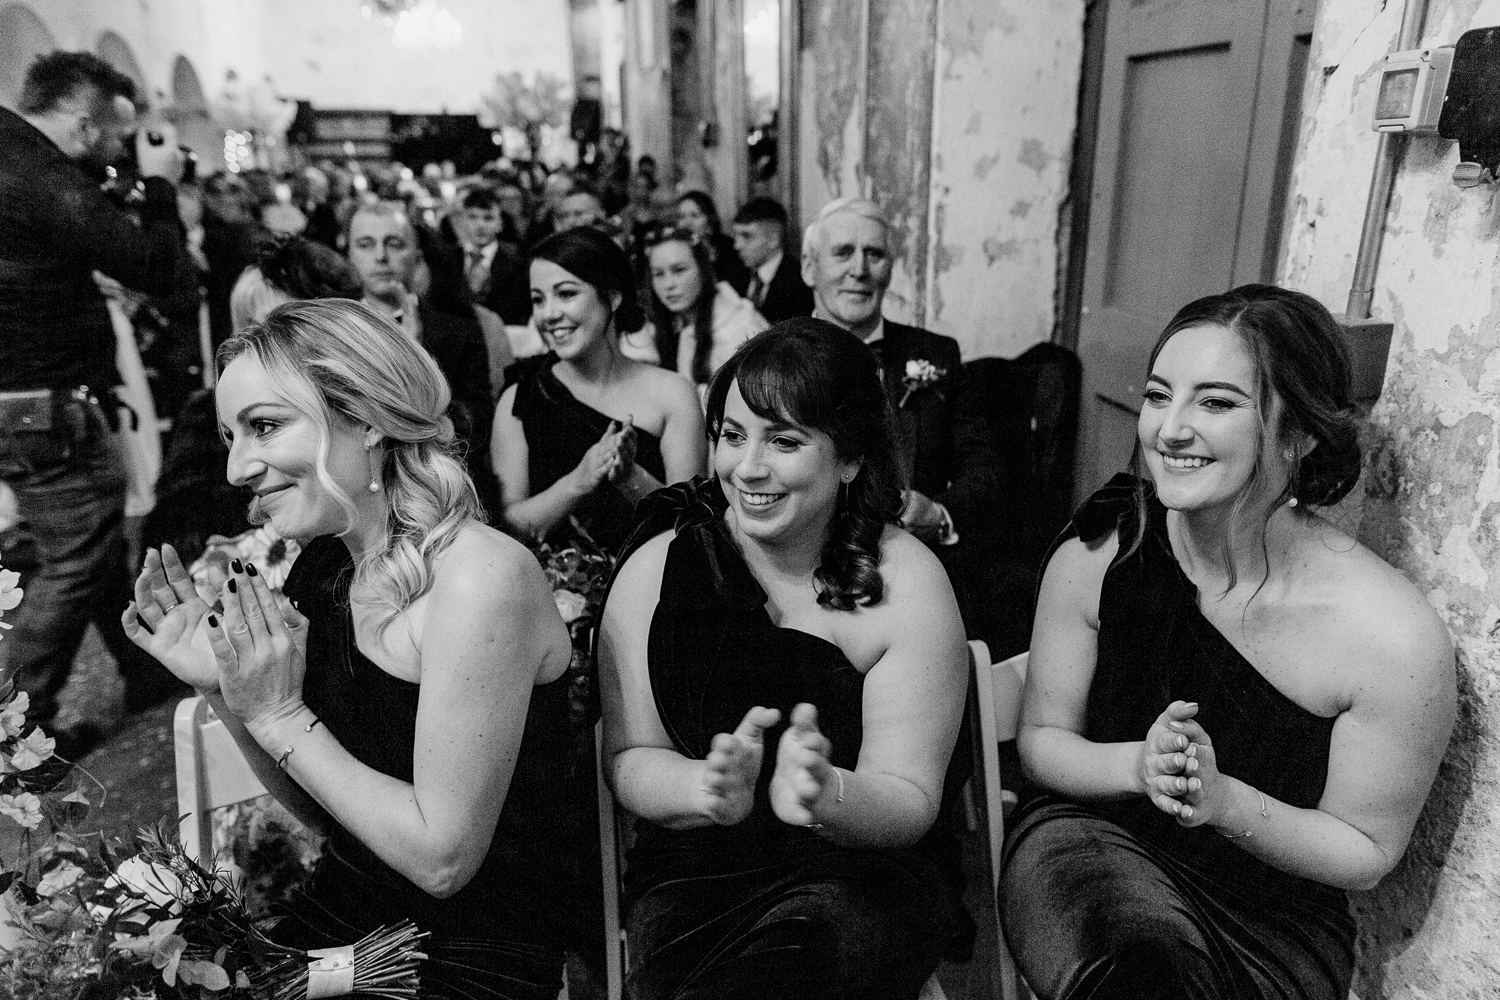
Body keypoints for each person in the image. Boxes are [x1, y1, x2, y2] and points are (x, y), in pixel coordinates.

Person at [122, 298, 588, 999]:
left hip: (467, 954)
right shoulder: (325, 567)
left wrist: (280, 717)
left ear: (364, 417)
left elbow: (442, 860)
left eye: (265, 427)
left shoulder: (480, 578)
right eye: (229, 436)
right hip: (340, 920)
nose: (237, 469)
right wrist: (225, 689)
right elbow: (327, 810)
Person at [1002, 285, 1456, 1000]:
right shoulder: (1096, 560)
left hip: (1274, 915)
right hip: (1095, 845)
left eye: (1215, 403)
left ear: (1299, 431)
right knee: (1138, 979)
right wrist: (1140, 767)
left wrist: (1225, 802)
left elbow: (1367, 851)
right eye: (1159, 395)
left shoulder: (1393, 640)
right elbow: (1042, 743)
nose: (1169, 429)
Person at [597, 319, 970, 999]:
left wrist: (826, 793)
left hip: (859, 870)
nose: (749, 469)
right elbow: (627, 757)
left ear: (851, 457)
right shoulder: (656, 570)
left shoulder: (907, 581)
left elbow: (911, 799)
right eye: (733, 436)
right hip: (695, 873)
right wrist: (702, 790)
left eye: (786, 441)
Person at [0, 51, 187, 750]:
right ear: (82, 123)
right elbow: (156, 267)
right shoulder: (40, 173)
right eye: (114, 137)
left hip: (25, 399)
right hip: (41, 406)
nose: (117, 153)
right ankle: (15, 730)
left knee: (96, 535)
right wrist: (161, 189)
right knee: (74, 558)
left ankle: (143, 671)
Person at [801, 197, 1000, 626]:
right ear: (807, 267)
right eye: (842, 253)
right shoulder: (778, 358)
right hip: (804, 574)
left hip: (917, 573)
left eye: (875, 254)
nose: (860, 269)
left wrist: (940, 514)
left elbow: (983, 467)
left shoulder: (936, 354)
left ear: (891, 268)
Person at [491, 227, 704, 553]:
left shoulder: (673, 395)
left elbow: (692, 529)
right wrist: (577, 482)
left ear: (612, 297)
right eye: (538, 299)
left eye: (566, 294)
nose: (549, 314)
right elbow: (507, 529)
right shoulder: (520, 399)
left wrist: (631, 478)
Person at [347, 201, 502, 514]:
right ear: (349, 255)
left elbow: (475, 428)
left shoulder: (459, 330)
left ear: (416, 257)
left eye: (394, 244)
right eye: (366, 245)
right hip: (355, 491)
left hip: (440, 490)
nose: (380, 257)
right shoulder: (331, 330)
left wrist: (416, 353)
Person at [638, 226, 768, 388]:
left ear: (703, 270)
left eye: (679, 270)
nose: (668, 284)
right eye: (658, 274)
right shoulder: (663, 327)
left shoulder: (739, 327)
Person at [456, 186, 531, 325]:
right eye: (472, 217)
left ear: (500, 224)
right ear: (462, 221)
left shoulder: (516, 264)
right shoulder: (446, 259)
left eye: (488, 218)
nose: (480, 225)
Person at [732, 196, 813, 324]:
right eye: (736, 236)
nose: (737, 245)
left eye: (746, 236)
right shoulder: (734, 274)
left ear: (773, 240)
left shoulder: (800, 285)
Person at [674, 189, 750, 293]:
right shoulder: (674, 251)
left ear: (710, 219)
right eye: (682, 217)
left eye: (695, 216)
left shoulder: (730, 250)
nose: (687, 223)